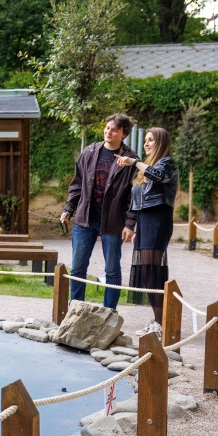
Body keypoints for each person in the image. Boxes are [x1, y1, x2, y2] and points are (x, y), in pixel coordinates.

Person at [59, 114, 139, 310]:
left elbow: (134, 195)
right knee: (77, 267)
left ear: (124, 134)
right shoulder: (89, 152)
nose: (108, 132)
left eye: (114, 129)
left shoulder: (131, 160)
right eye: (107, 127)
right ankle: (76, 308)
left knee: (112, 269)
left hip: (112, 222)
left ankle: (109, 311)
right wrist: (69, 208)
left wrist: (130, 223)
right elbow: (77, 184)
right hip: (85, 220)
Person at [115, 127, 179, 336]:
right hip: (145, 220)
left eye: (151, 140)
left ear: (160, 142)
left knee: (152, 272)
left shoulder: (167, 163)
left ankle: (161, 324)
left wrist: (134, 162)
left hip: (159, 219)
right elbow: (138, 199)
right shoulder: (148, 166)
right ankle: (158, 320)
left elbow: (159, 177)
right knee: (145, 273)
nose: (146, 144)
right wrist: (135, 227)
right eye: (146, 141)